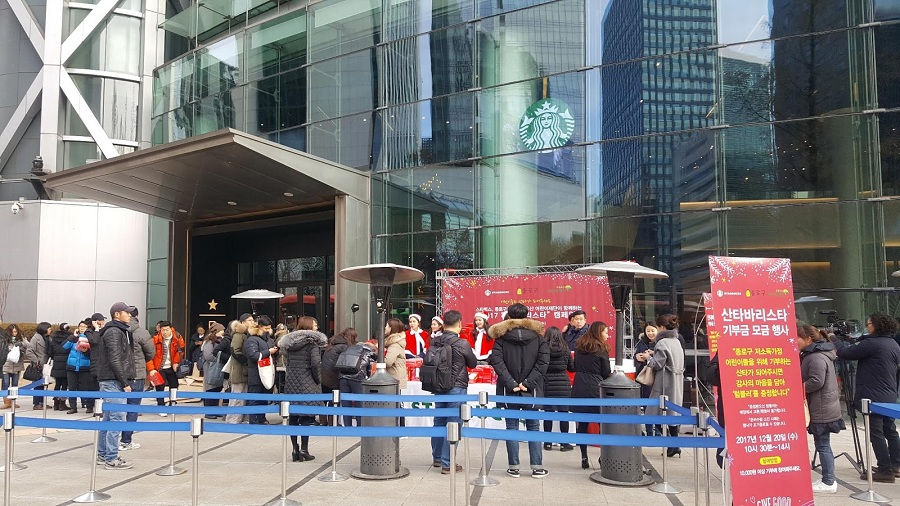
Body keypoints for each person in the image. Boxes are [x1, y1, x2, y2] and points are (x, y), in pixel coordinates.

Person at [836, 313, 900, 483]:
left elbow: (844, 353)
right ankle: (896, 465)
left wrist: (835, 340)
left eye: (869, 324)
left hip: (872, 395)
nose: (867, 326)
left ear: (876, 326)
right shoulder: (892, 343)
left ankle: (885, 471)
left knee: (876, 432)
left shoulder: (872, 344)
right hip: (888, 393)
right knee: (890, 430)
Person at [488, 303, 550, 479]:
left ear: (509, 316)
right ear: (527, 316)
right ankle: (537, 467)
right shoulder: (539, 338)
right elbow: (543, 363)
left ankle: (513, 467)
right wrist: (528, 383)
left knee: (511, 427)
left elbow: (497, 362)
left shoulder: (501, 338)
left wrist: (511, 382)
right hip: (533, 391)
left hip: (510, 390)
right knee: (534, 428)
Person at [798, 324, 844, 494]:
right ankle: (827, 478)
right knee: (823, 444)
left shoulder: (815, 357)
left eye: (798, 338)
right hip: (824, 406)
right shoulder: (817, 354)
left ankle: (829, 481)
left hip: (822, 408)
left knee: (823, 445)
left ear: (808, 339)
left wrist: (798, 387)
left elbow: (816, 381)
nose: (795, 341)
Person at [430, 310, 477, 473]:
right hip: (456, 387)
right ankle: (447, 463)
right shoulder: (462, 343)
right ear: (459, 323)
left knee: (439, 421)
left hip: (438, 386)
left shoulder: (435, 341)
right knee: (454, 423)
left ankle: (437, 458)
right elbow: (473, 363)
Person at [95, 302, 137, 469]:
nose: (130, 316)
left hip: (112, 380)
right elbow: (114, 359)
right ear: (117, 314)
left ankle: (103, 454)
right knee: (116, 419)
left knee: (108, 419)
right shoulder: (114, 331)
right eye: (127, 313)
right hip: (112, 381)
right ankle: (111, 458)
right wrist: (124, 382)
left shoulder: (120, 331)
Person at [279, 316, 327, 461]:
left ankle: (295, 450)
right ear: (309, 326)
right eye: (315, 324)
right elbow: (316, 364)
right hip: (308, 384)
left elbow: (287, 361)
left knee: (293, 417)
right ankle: (305, 450)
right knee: (306, 417)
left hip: (292, 384)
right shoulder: (312, 344)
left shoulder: (290, 344)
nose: (317, 326)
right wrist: (318, 380)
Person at [571, 321, 612, 468]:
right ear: (599, 332)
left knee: (582, 423)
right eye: (606, 332)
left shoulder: (580, 347)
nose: (608, 335)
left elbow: (575, 366)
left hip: (579, 386)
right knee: (602, 423)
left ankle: (584, 456)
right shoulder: (602, 349)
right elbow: (606, 372)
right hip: (596, 387)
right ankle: (603, 457)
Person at [645, 313, 685, 457]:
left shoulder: (662, 343)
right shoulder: (676, 341)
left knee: (654, 412)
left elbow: (657, 364)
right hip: (677, 380)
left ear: (661, 327)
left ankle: (673, 444)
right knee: (672, 414)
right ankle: (674, 445)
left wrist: (648, 358)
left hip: (664, 382)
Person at [120, 311, 155, 450]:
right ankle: (126, 440)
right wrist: (140, 361)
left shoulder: (116, 330)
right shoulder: (142, 332)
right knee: (132, 409)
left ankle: (111, 441)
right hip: (137, 374)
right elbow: (151, 352)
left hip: (119, 374)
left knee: (117, 409)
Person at [541, 326, 575, 452]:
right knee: (563, 414)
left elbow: (540, 366)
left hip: (547, 383)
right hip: (563, 383)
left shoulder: (543, 349)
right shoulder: (566, 349)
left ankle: (548, 443)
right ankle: (564, 444)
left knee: (548, 414)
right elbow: (571, 368)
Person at [147, 321, 185, 415]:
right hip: (159, 367)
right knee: (160, 387)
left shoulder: (177, 337)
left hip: (172, 366)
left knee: (174, 385)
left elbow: (180, 351)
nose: (165, 332)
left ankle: (172, 404)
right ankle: (161, 407)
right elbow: (148, 355)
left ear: (171, 329)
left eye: (167, 329)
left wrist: (176, 362)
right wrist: (151, 369)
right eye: (163, 330)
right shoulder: (155, 339)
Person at [244, 315, 277, 425]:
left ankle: (262, 418)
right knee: (254, 399)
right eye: (265, 328)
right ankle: (253, 420)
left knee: (264, 398)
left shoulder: (270, 340)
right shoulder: (252, 339)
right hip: (255, 374)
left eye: (269, 328)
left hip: (268, 373)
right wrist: (269, 352)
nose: (268, 331)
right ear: (259, 327)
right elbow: (253, 355)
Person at [63, 321, 95, 414]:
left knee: (86, 387)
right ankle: (73, 407)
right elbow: (64, 347)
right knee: (72, 387)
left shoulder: (90, 337)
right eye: (80, 326)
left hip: (84, 367)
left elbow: (93, 353)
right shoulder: (74, 338)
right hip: (72, 366)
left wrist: (85, 350)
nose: (82, 328)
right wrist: (73, 336)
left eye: (84, 326)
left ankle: (89, 406)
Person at [226, 315, 253, 424]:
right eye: (249, 320)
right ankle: (232, 419)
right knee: (237, 397)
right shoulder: (239, 335)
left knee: (243, 396)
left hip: (244, 370)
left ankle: (240, 418)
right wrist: (246, 360)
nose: (252, 322)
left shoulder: (246, 334)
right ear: (243, 322)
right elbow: (235, 350)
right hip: (239, 370)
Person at [633, 322, 659, 435]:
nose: (650, 333)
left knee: (658, 405)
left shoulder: (661, 343)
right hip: (646, 378)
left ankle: (658, 431)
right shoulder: (641, 342)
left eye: (652, 330)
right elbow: (635, 358)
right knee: (647, 405)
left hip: (658, 377)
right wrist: (637, 358)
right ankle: (649, 431)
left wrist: (651, 356)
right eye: (648, 331)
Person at [201, 321, 226, 418]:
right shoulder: (208, 341)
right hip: (210, 368)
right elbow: (208, 356)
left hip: (218, 368)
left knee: (217, 389)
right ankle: (209, 412)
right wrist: (218, 359)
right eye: (221, 330)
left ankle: (215, 409)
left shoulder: (220, 340)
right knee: (210, 389)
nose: (223, 331)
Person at [321, 328, 356, 395]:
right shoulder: (344, 347)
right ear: (352, 337)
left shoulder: (333, 344)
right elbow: (349, 363)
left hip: (325, 378)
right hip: (333, 379)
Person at [25, 322, 52, 410]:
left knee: (44, 384)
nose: (50, 330)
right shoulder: (36, 338)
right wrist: (37, 361)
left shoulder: (48, 338)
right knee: (37, 384)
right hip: (38, 365)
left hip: (46, 365)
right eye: (49, 328)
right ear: (44, 328)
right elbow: (29, 351)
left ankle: (42, 402)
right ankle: (37, 403)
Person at [1, 323, 28, 409]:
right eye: (13, 332)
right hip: (6, 364)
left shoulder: (21, 338)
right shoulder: (4, 339)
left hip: (17, 365)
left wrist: (21, 344)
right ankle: (6, 401)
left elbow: (28, 345)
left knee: (15, 384)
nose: (14, 333)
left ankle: (13, 401)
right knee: (6, 383)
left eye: (16, 332)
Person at [48, 323, 72, 411]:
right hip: (66, 363)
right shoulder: (70, 338)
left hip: (57, 364)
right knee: (65, 385)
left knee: (57, 384)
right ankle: (62, 403)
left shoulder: (53, 339)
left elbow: (50, 353)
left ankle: (55, 403)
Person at [384, 318, 408, 389]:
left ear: (392, 328)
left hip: (395, 378)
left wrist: (378, 360)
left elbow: (388, 362)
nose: (385, 328)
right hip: (395, 378)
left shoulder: (394, 345)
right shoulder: (393, 343)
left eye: (387, 326)